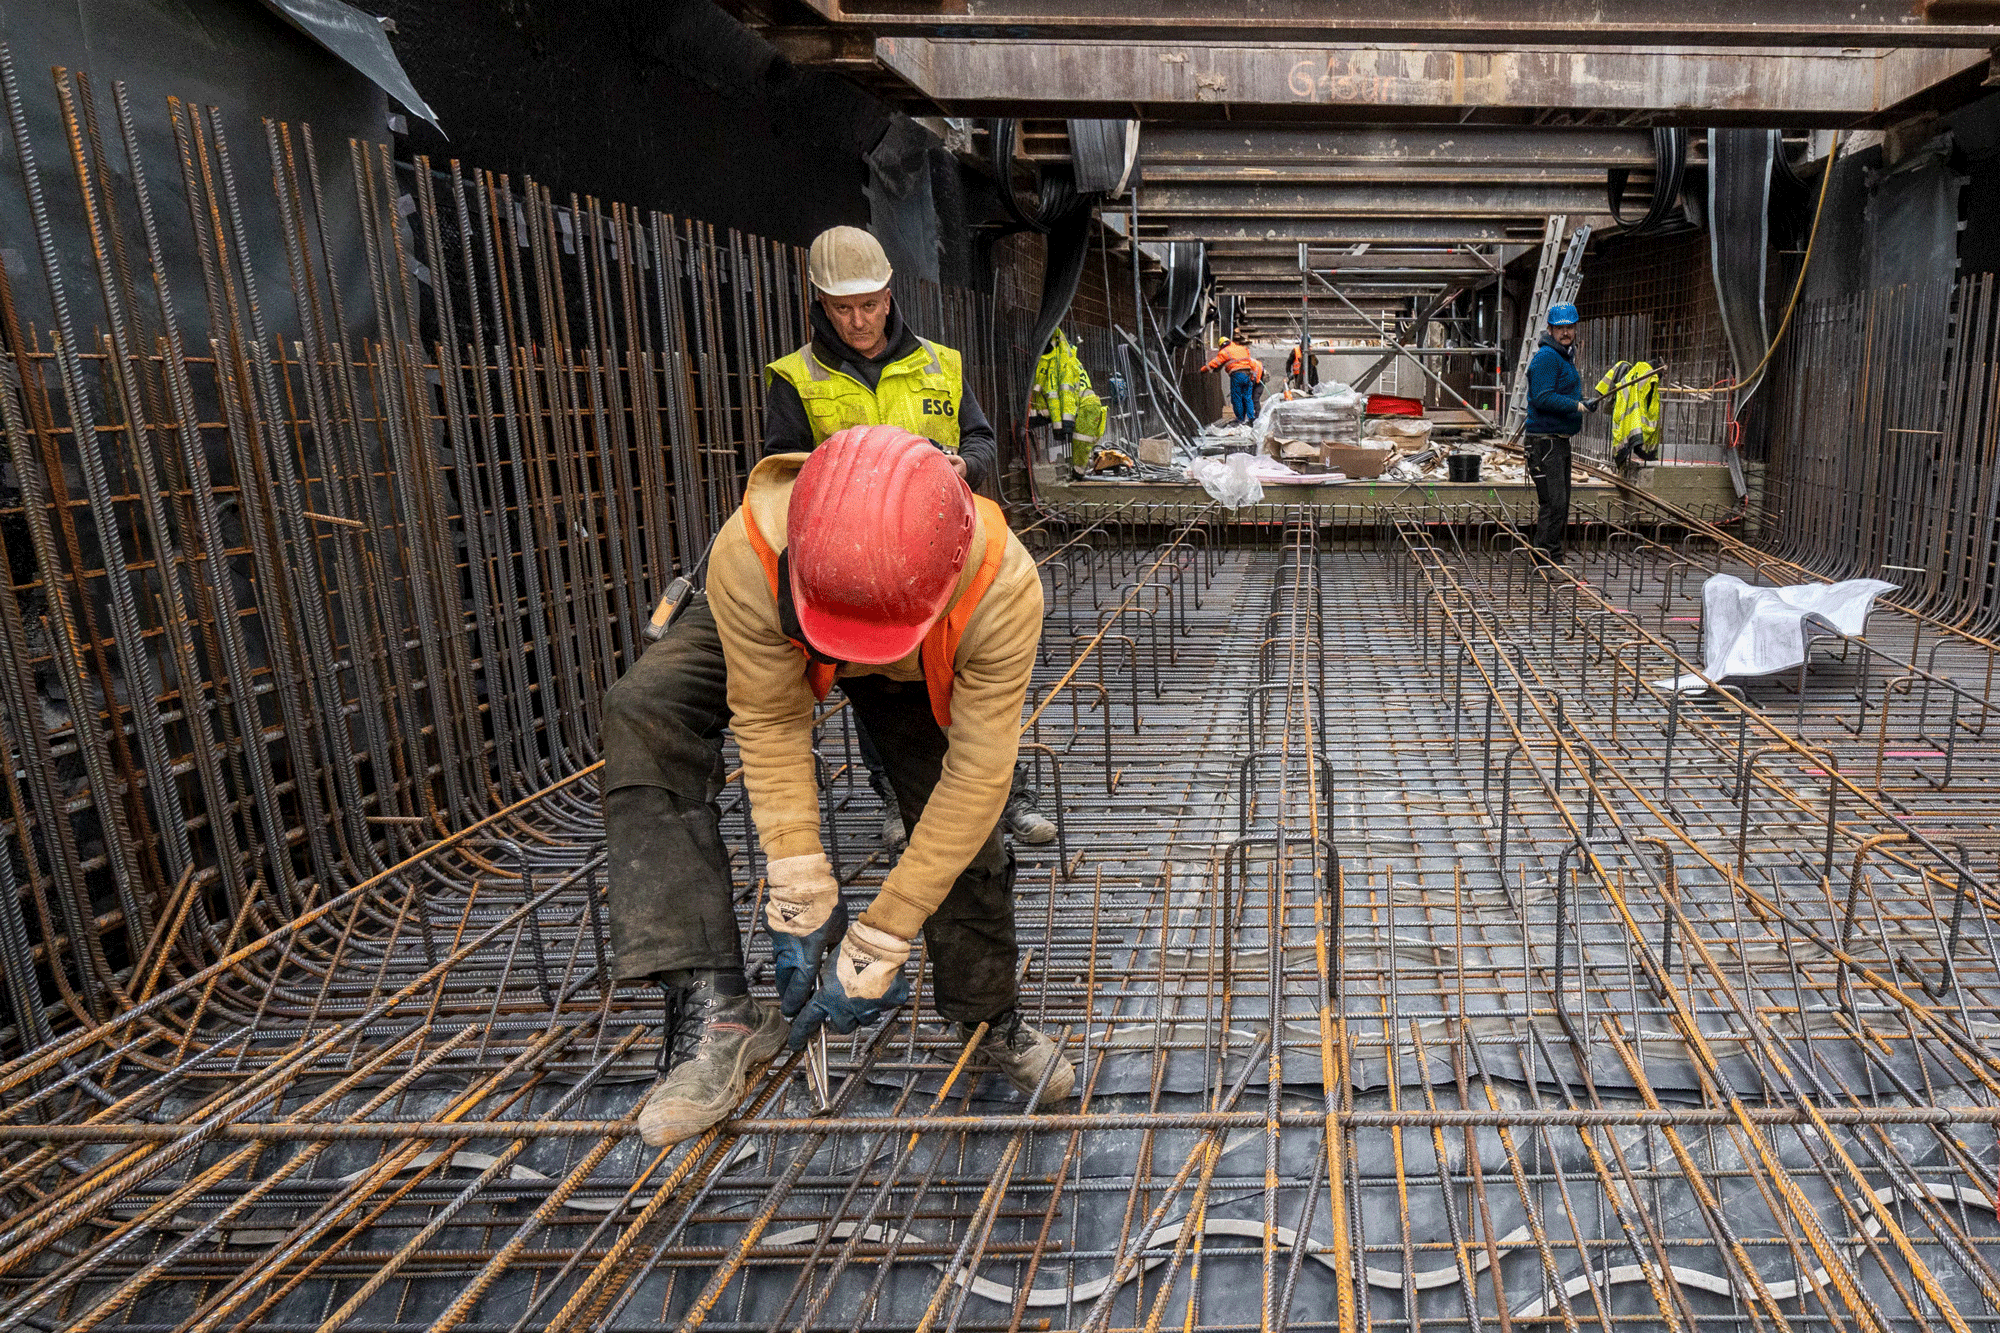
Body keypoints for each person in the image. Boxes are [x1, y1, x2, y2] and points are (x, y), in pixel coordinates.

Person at [603, 426, 1077, 1148]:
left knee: (960, 826)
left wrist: (886, 931)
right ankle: (717, 1009)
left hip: (916, 648)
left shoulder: (1001, 590)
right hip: (785, 613)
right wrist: (797, 876)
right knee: (645, 711)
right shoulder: (751, 551)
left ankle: (986, 1013)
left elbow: (979, 776)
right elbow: (769, 717)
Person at [762, 226, 1054, 847]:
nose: (858, 320)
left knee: (973, 678)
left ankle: (1007, 794)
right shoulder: (795, 377)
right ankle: (900, 796)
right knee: (871, 676)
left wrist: (965, 469)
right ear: (820, 303)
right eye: (842, 308)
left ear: (890, 296)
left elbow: (979, 441)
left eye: (869, 305)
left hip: (942, 558)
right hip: (855, 568)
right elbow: (783, 471)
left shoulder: (939, 364)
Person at [1523, 303, 1596, 561]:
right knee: (1553, 504)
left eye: (1570, 327)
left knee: (1560, 504)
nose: (1566, 332)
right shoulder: (1547, 357)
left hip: (1558, 442)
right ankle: (1544, 559)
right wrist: (1577, 406)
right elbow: (1543, 398)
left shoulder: (1563, 355)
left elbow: (1560, 394)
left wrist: (1583, 402)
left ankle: (1552, 556)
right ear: (1550, 329)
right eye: (1560, 328)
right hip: (1545, 443)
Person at [1201, 332, 1264, 426]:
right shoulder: (1242, 348)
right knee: (1248, 397)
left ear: (1221, 345)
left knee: (1236, 398)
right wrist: (1252, 376)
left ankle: (1240, 419)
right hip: (1248, 374)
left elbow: (1214, 363)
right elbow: (1250, 362)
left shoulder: (1224, 352)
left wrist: (1203, 370)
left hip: (1237, 375)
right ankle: (1251, 418)